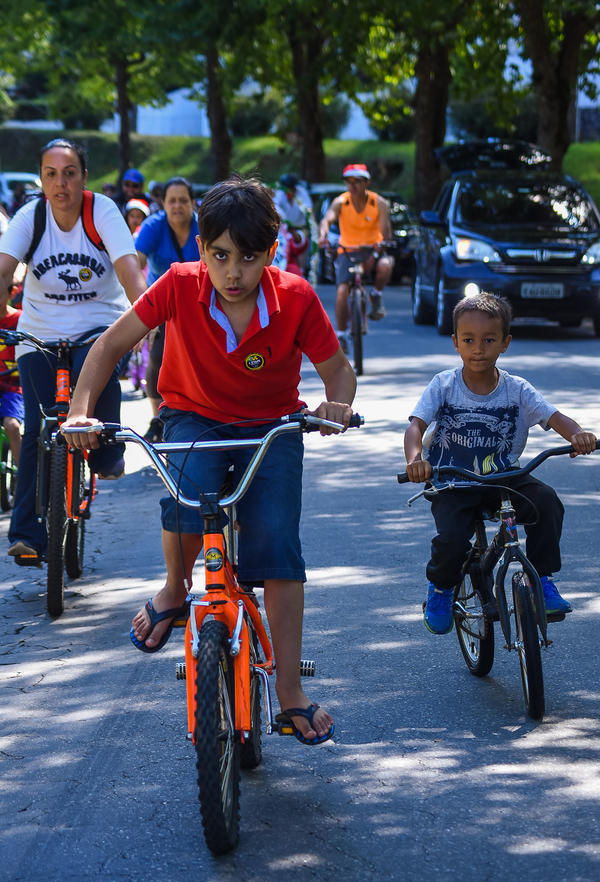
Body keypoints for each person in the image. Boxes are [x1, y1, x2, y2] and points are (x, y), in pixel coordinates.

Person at [63, 175, 356, 745]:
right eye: (220, 256)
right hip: (193, 418)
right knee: (187, 497)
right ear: (201, 250)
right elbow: (110, 346)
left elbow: (338, 370)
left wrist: (338, 405)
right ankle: (176, 588)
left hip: (272, 425)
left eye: (249, 258)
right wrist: (79, 409)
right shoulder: (176, 284)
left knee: (276, 547)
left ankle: (290, 690)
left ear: (272, 253)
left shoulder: (295, 296)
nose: (233, 273)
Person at [403, 293, 597, 635]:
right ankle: (441, 589)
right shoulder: (444, 385)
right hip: (452, 481)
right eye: (469, 340)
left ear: (505, 343)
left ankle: (543, 580)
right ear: (455, 343)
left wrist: (578, 435)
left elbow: (554, 418)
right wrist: (415, 460)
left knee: (547, 502)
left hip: (503, 478)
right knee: (451, 540)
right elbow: (415, 427)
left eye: (489, 340)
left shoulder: (517, 389)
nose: (478, 348)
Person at [0, 138, 147, 565]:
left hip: (99, 326)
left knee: (96, 371)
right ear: (41, 179)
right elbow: (4, 269)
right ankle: (27, 534)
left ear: (84, 177)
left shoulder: (102, 212)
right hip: (39, 331)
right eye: (51, 174)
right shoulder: (31, 216)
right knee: (37, 426)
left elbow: (128, 271)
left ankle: (105, 449)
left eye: (69, 173)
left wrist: (146, 317)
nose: (60, 183)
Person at [134, 176, 200, 442]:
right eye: (171, 201)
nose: (177, 206)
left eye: (183, 200)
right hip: (161, 305)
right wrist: (141, 310)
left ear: (192, 203)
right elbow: (135, 265)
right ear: (163, 203)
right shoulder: (152, 227)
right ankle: (158, 419)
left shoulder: (203, 226)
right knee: (158, 364)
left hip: (199, 305)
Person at [318, 163, 393, 351]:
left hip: (372, 248)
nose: (352, 186)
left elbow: (385, 232)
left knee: (386, 265)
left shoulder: (379, 203)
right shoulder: (341, 202)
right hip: (347, 250)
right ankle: (341, 335)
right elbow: (327, 220)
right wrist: (323, 236)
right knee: (342, 291)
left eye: (357, 181)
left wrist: (382, 245)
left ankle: (376, 295)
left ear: (366, 182)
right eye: (348, 182)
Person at [0, 289, 23, 466]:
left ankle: (24, 477)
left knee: (12, 426)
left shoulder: (21, 319)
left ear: (10, 293)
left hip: (15, 386)